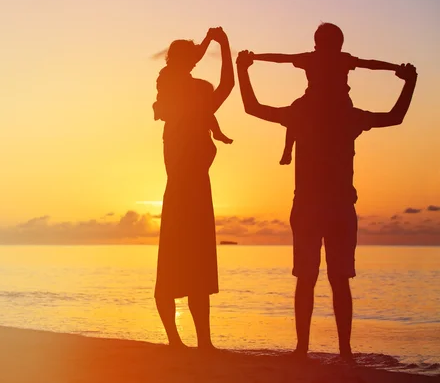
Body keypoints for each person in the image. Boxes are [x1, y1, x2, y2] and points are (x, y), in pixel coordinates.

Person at [235, 49, 417, 360]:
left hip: (312, 206)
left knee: (311, 279)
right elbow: (394, 116)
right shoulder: (343, 114)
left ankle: (307, 349)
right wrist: (408, 82)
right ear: (342, 75)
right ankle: (339, 351)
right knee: (337, 280)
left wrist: (244, 68)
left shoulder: (305, 111)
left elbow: (252, 107)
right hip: (335, 207)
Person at [154, 27, 234, 350]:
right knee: (171, 268)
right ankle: (175, 339)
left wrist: (225, 46)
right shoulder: (169, 87)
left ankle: (204, 342)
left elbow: (227, 85)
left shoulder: (200, 93)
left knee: (198, 270)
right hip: (181, 188)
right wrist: (213, 43)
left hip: (199, 188)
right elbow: (181, 69)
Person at [252, 23, 401, 165]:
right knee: (296, 109)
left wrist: (255, 57)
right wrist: (395, 68)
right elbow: (370, 64)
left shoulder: (315, 58)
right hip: (336, 101)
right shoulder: (340, 58)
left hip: (325, 100)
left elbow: (281, 58)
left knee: (296, 110)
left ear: (317, 44)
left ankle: (288, 149)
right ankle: (288, 149)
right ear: (340, 44)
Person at [153, 29, 233, 144]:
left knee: (204, 100)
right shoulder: (172, 76)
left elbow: (197, 55)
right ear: (183, 58)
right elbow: (226, 85)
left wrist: (208, 38)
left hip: (178, 121)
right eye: (191, 59)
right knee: (205, 92)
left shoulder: (174, 70)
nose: (195, 64)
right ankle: (217, 132)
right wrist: (222, 43)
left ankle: (216, 131)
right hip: (180, 114)